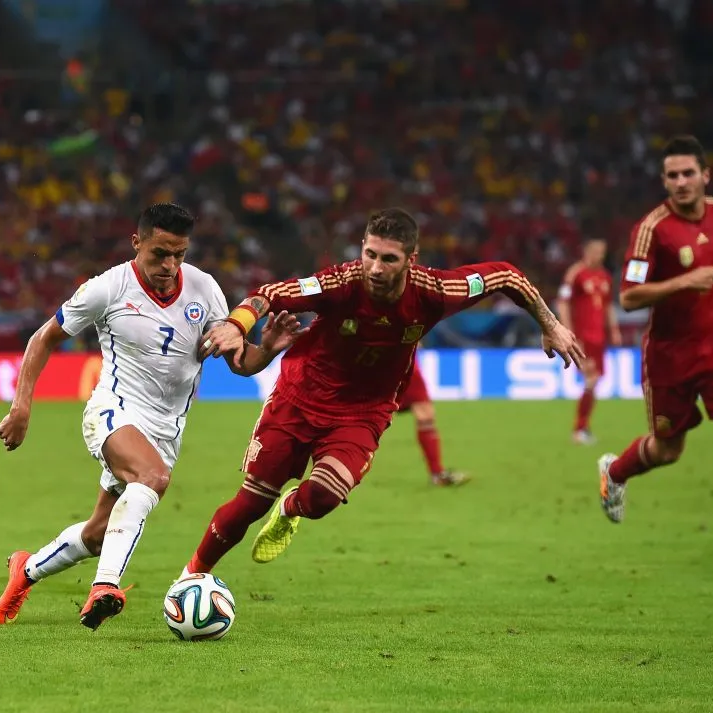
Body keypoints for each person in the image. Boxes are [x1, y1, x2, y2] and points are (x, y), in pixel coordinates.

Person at [183, 207, 583, 574]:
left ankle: (290, 509)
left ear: (412, 259)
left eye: (388, 258)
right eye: (370, 253)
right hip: (299, 398)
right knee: (251, 501)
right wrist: (236, 325)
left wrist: (550, 325)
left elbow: (507, 275)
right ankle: (191, 576)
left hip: (363, 411)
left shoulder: (435, 291)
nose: (375, 267)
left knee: (323, 496)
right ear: (362, 248)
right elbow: (268, 294)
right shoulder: (339, 283)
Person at [0, 203, 302, 630]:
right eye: (160, 254)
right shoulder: (108, 288)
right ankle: (104, 587)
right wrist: (21, 406)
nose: (170, 265)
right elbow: (43, 338)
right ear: (137, 243)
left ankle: (24, 570)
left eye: (180, 254)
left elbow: (239, 362)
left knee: (99, 534)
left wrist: (267, 348)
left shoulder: (205, 289)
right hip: (112, 411)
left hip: (165, 431)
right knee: (151, 478)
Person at [598, 135, 713, 522]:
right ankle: (614, 472)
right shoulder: (652, 230)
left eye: (688, 173)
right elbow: (628, 297)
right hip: (670, 358)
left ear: (706, 176)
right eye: (672, 175)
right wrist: (682, 282)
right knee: (668, 450)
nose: (681, 182)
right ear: (664, 181)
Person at [556, 238, 622, 444]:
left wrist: (614, 329)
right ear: (587, 252)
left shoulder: (604, 276)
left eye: (602, 252)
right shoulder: (575, 273)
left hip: (599, 337)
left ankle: (583, 428)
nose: (600, 256)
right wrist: (567, 331)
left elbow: (608, 305)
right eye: (596, 251)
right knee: (591, 379)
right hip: (582, 336)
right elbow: (563, 303)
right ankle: (580, 429)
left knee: (594, 381)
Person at [394, 357, 468, 486]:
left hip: (384, 355)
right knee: (425, 414)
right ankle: (437, 474)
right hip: (399, 357)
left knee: (360, 410)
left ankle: (437, 473)